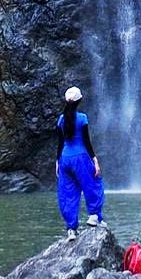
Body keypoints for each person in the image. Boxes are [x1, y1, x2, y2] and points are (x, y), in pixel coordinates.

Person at [56, 85, 104, 239]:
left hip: (64, 158)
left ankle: (71, 229)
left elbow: (60, 143)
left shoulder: (61, 119)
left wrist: (57, 161)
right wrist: (95, 160)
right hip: (81, 157)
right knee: (93, 183)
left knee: (68, 192)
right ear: (80, 101)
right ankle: (94, 216)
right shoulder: (82, 118)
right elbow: (86, 141)